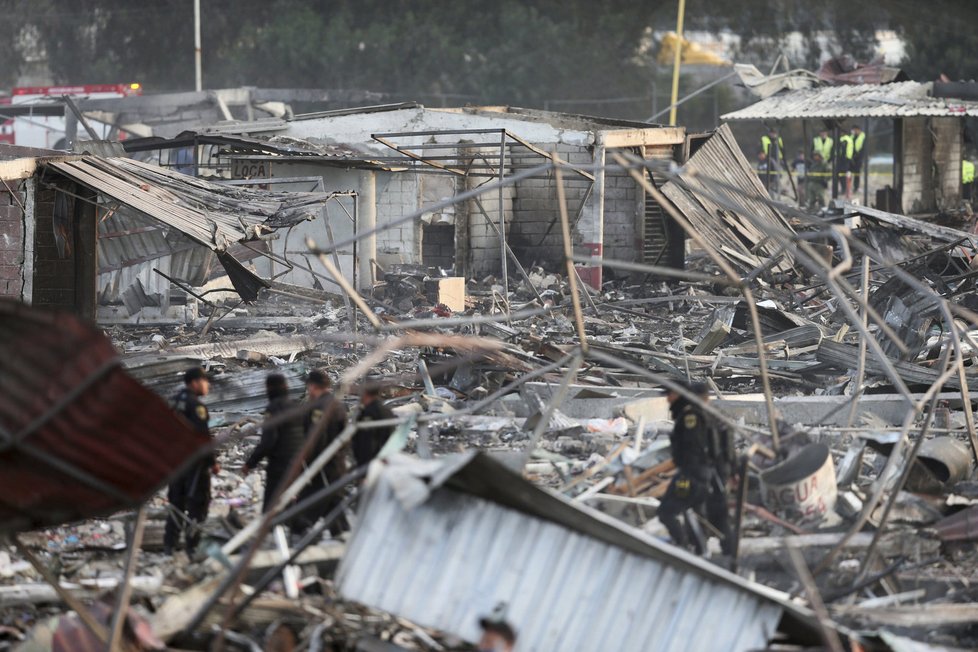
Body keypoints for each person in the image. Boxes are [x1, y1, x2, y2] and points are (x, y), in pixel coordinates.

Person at [658, 381, 734, 557]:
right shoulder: (710, 415)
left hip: (692, 475)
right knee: (699, 513)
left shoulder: (691, 416)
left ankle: (684, 547)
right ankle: (700, 551)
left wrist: (692, 473)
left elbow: (695, 447)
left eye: (670, 394)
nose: (668, 399)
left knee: (667, 511)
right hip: (708, 474)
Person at [164, 367, 220, 555]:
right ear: (195, 382)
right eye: (205, 381)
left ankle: (169, 546)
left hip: (174, 463)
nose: (208, 385)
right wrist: (212, 462)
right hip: (194, 465)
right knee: (198, 506)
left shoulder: (173, 402)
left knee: (176, 505)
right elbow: (202, 437)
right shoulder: (196, 406)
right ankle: (192, 547)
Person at [293, 369, 349, 535]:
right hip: (335, 463)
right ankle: (342, 535)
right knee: (333, 502)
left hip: (322, 465)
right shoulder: (336, 404)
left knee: (310, 503)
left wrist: (307, 462)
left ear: (313, 386)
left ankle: (300, 533)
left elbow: (316, 438)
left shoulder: (320, 408)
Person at [242, 374, 305, 513]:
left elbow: (268, 441)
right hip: (297, 463)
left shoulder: (273, 408)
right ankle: (294, 529)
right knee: (290, 500)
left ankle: (270, 531)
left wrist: (250, 463)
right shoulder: (296, 406)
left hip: (279, 465)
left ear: (269, 388)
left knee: (271, 506)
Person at [353, 385, 395, 468]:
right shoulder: (386, 409)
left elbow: (366, 441)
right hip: (385, 459)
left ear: (365, 393)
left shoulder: (369, 412)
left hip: (371, 462)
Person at [760, 127, 784, 195]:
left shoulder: (778, 139)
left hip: (778, 160)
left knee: (778, 174)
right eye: (772, 133)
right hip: (768, 160)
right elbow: (761, 150)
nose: (773, 135)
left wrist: (782, 160)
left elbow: (782, 150)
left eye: (774, 133)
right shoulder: (764, 139)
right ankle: (771, 186)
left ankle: (775, 186)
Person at [850, 125, 866, 194]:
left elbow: (864, 149)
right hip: (851, 158)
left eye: (856, 130)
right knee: (849, 174)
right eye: (854, 130)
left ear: (859, 130)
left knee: (857, 174)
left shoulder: (863, 137)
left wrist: (859, 156)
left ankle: (856, 187)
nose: (855, 131)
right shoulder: (851, 137)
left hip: (859, 158)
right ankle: (848, 188)